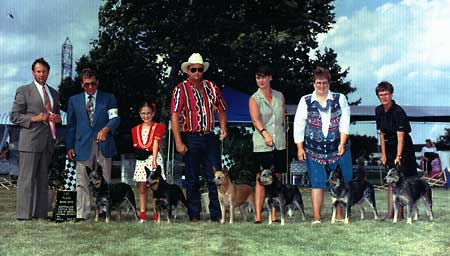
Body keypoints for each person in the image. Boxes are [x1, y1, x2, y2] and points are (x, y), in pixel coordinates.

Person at [170, 53, 227, 222]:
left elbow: (222, 108)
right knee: (192, 177)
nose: (197, 72)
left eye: (200, 69)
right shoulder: (180, 89)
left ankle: (217, 215)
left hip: (210, 137)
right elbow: (175, 116)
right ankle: (194, 214)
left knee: (215, 176)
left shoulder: (212, 87)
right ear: (187, 70)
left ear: (203, 70)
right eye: (193, 69)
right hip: (190, 137)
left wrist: (223, 127)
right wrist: (178, 141)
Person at [293, 66, 352, 224]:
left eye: (324, 83)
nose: (321, 86)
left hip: (338, 149)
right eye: (318, 83)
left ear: (329, 83)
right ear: (313, 83)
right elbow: (298, 125)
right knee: (317, 182)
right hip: (314, 151)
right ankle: (317, 218)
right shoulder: (305, 101)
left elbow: (345, 122)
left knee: (341, 181)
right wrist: (299, 147)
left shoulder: (340, 99)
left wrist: (342, 142)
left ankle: (340, 215)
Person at [65, 68, 120, 221]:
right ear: (82, 84)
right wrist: (69, 146)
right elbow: (70, 126)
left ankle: (104, 212)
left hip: (104, 144)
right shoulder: (73, 100)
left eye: (93, 84)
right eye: (87, 84)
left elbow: (115, 118)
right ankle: (81, 214)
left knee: (105, 180)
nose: (90, 87)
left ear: (98, 83)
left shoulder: (108, 98)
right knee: (82, 181)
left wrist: (107, 129)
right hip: (82, 146)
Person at [10, 58, 61, 220]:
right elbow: (14, 116)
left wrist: (57, 119)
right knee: (26, 180)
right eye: (38, 71)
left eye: (44, 71)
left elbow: (54, 115)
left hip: (47, 142)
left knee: (42, 180)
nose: (41, 74)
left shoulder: (54, 93)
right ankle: (23, 215)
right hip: (30, 142)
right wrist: (34, 118)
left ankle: (40, 214)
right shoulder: (23, 90)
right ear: (33, 73)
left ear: (48, 73)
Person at [248, 65, 286, 224]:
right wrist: (265, 134)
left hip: (279, 144)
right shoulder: (254, 99)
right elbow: (256, 120)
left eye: (264, 77)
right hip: (262, 144)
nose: (261, 80)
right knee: (261, 179)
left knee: (277, 178)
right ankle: (258, 215)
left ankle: (275, 213)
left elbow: (282, 118)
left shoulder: (279, 96)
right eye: (258, 77)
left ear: (270, 77)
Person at [375, 81, 417, 219]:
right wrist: (383, 154)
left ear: (391, 94)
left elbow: (401, 137)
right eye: (381, 95)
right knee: (390, 181)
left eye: (386, 94)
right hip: (389, 147)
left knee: (403, 182)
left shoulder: (399, 112)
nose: (384, 97)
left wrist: (398, 156)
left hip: (403, 148)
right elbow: (381, 133)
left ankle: (400, 214)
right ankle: (390, 213)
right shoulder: (379, 110)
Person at [131, 99, 166, 223]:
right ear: (139, 114)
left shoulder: (159, 127)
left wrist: (154, 159)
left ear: (153, 112)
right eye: (143, 113)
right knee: (142, 188)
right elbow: (137, 147)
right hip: (141, 160)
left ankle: (157, 214)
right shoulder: (135, 129)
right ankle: (143, 215)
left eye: (149, 113)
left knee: (157, 188)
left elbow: (156, 142)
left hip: (153, 158)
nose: (146, 116)